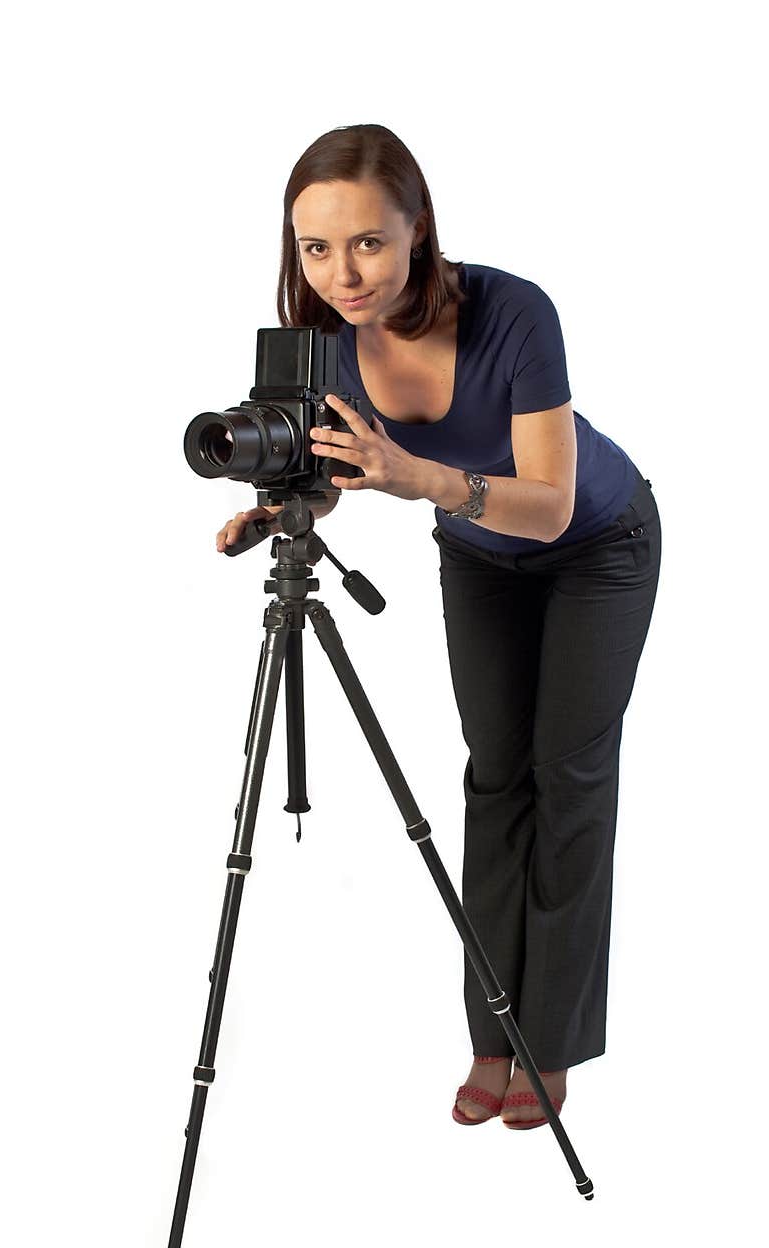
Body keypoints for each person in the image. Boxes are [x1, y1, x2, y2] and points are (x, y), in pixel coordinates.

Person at [217, 124, 662, 1130]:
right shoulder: (324, 336)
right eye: (315, 248)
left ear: (417, 227)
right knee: (494, 771)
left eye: (367, 242)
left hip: (596, 541)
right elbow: (342, 473)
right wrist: (287, 510)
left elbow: (545, 503)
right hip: (479, 551)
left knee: (568, 774)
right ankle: (493, 1033)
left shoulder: (512, 311)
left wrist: (415, 479)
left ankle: (552, 1041)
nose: (342, 272)